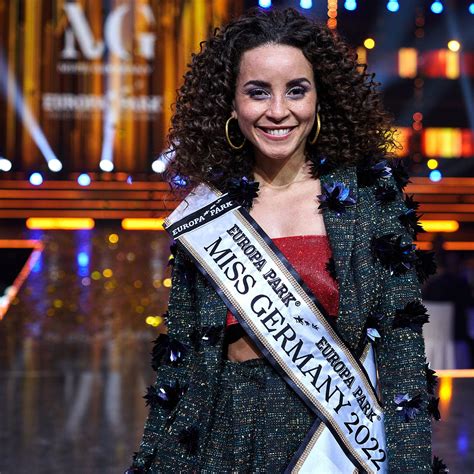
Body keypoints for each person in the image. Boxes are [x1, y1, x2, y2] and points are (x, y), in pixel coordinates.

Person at [128, 8, 441, 473]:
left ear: (320, 96)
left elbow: (402, 354)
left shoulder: (369, 197)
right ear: (231, 103)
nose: (278, 111)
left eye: (297, 90)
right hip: (223, 438)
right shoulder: (208, 210)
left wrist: (409, 466)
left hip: (333, 443)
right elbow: (181, 364)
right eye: (258, 92)